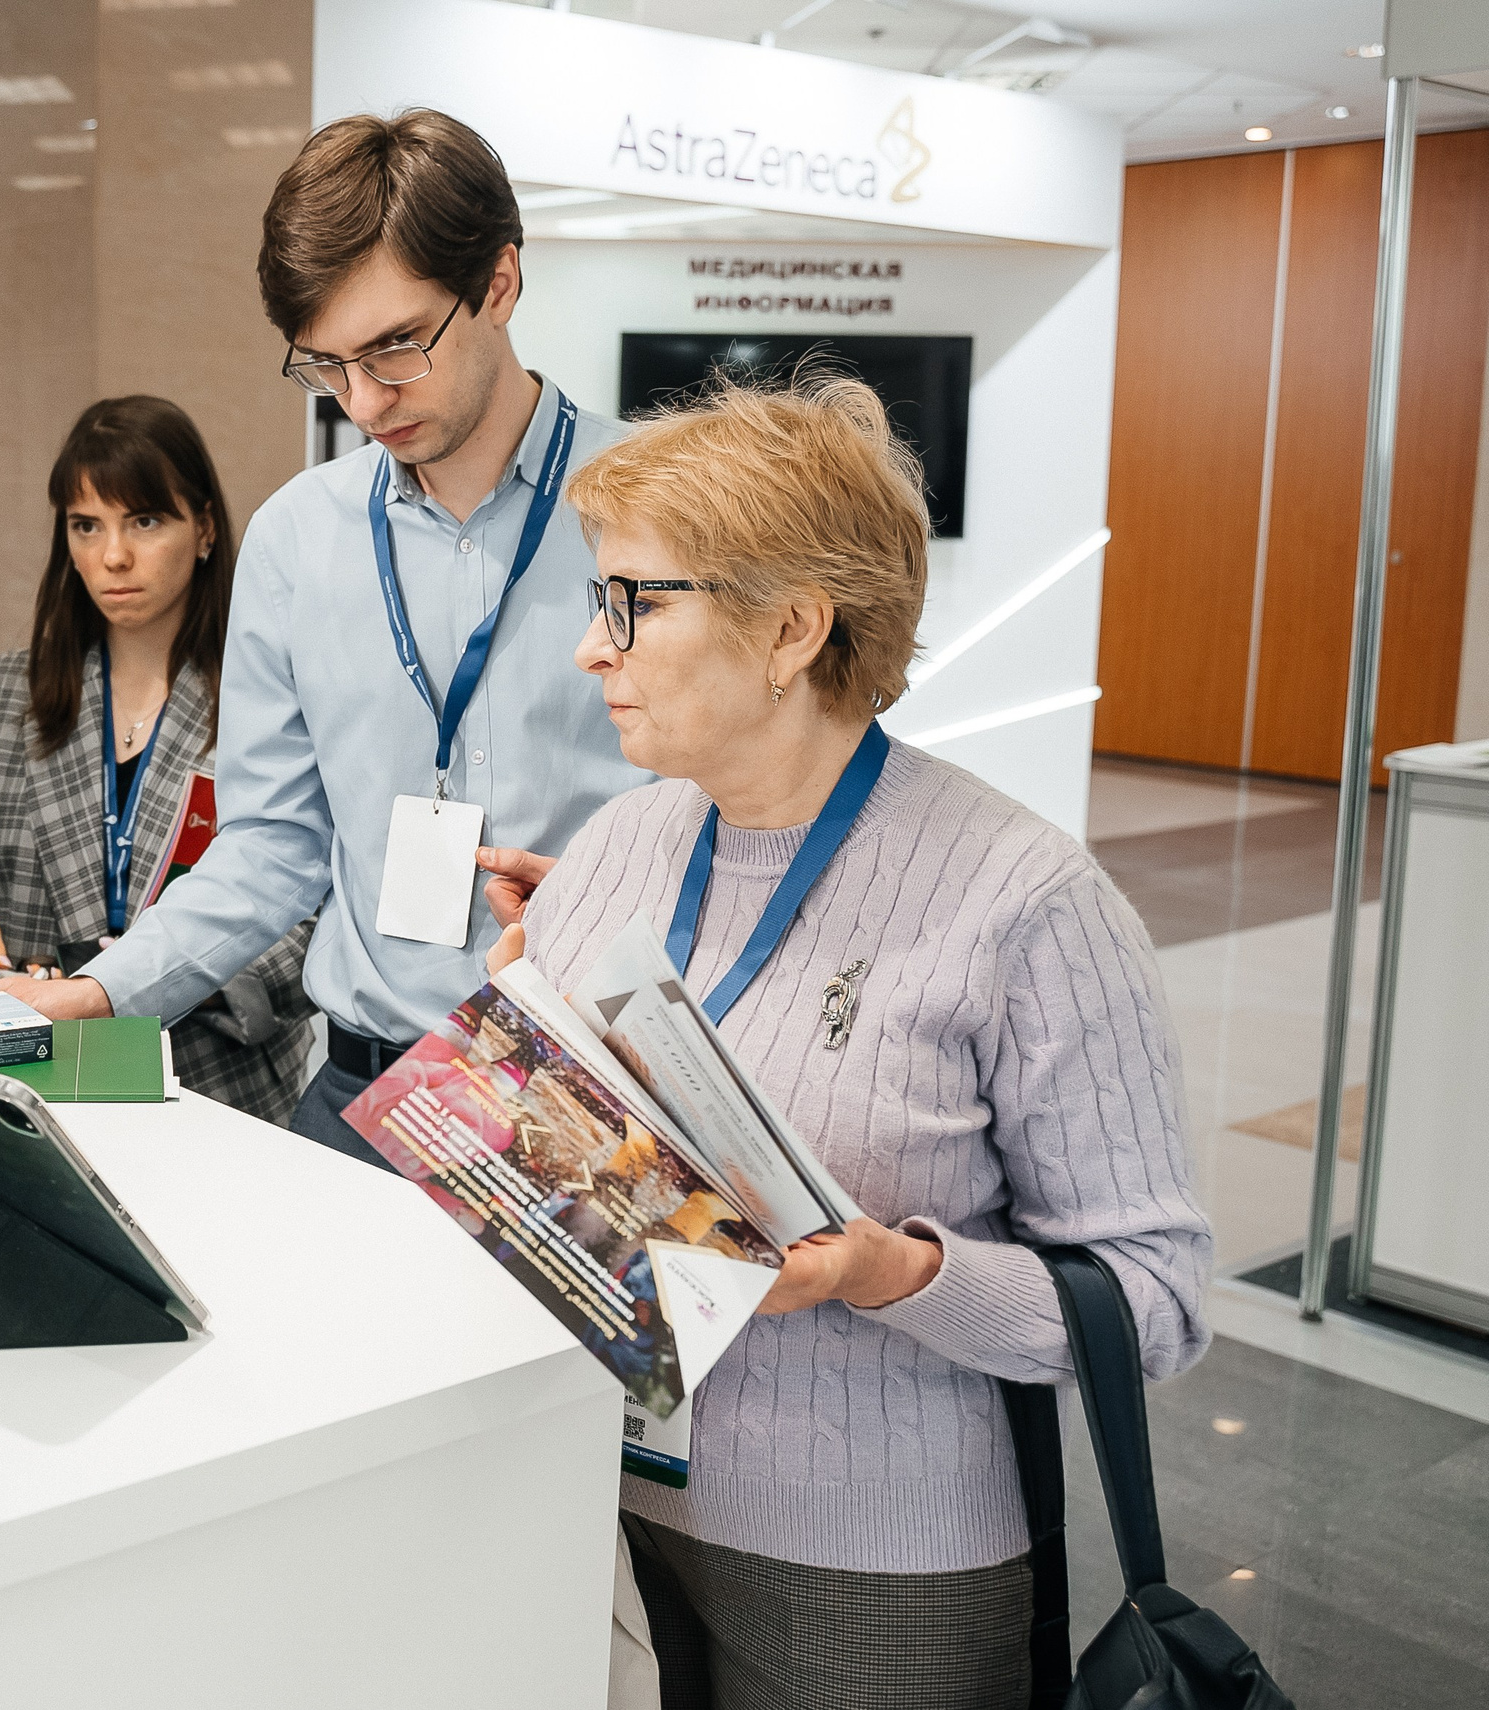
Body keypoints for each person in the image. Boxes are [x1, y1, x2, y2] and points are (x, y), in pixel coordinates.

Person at [497, 372, 1211, 1707]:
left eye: (634, 604)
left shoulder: (1028, 904)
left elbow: (1156, 1304)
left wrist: (897, 1274)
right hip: (605, 1497)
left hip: (878, 1569)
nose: (592, 649)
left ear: (791, 629)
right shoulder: (614, 849)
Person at [0, 111, 633, 1159]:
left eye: (396, 347)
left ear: (501, 283)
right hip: (360, 1099)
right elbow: (272, 846)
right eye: (325, 365)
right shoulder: (298, 538)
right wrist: (104, 993)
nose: (365, 401)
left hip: (589, 1102)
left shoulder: (661, 510)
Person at [0, 395, 314, 1122]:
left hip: (214, 1089)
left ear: (205, 527)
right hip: (32, 1078)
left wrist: (152, 979)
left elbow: (306, 910)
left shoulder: (272, 700)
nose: (113, 555)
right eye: (87, 526)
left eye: (144, 521)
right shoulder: (5, 693)